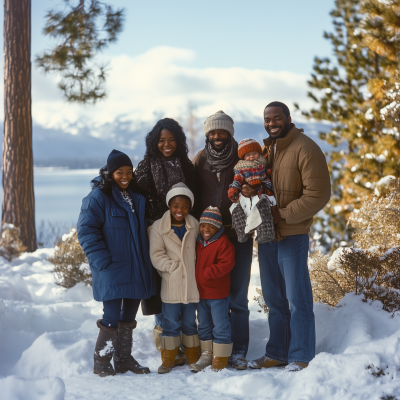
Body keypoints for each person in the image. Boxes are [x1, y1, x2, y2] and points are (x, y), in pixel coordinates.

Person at [249, 101, 331, 372]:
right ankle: (277, 352)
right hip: (267, 235)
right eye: (267, 118)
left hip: (292, 234)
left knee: (298, 299)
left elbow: (318, 195)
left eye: (276, 118)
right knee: (275, 300)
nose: (271, 122)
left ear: (288, 118)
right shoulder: (267, 150)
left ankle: (300, 354)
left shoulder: (306, 148)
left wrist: (282, 214)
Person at [77, 149, 156, 377]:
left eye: (129, 172)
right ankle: (101, 362)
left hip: (135, 266)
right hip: (112, 267)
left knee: (129, 316)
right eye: (119, 172)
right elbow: (86, 231)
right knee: (111, 316)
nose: (125, 176)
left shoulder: (135, 197)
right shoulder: (98, 197)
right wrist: (102, 261)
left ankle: (123, 359)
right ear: (110, 173)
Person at [193, 110, 253, 370]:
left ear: (230, 133)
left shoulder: (242, 158)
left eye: (222, 132)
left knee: (237, 296)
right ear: (208, 134)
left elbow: (259, 185)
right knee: (209, 296)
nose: (217, 136)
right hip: (207, 237)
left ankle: (237, 351)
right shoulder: (201, 159)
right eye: (212, 132)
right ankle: (214, 349)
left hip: (237, 234)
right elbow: (192, 193)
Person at [134, 118, 196, 356]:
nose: (167, 144)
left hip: (183, 234)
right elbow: (137, 202)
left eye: (171, 140)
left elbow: (195, 200)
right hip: (155, 235)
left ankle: (187, 338)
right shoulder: (145, 167)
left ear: (178, 141)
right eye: (161, 140)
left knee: (183, 282)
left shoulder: (187, 166)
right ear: (154, 142)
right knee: (161, 287)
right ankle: (167, 341)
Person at [149, 183, 200, 374]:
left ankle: (193, 356)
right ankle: (168, 358)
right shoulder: (158, 228)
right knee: (170, 323)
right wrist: (171, 267)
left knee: (189, 322)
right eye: (176, 206)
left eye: (185, 206)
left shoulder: (195, 225)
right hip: (171, 283)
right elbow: (156, 254)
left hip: (190, 285)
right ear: (170, 205)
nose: (180, 210)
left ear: (190, 207)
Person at [190, 207, 235, 373]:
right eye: (203, 225)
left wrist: (208, 273)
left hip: (217, 294)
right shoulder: (198, 242)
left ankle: (221, 356)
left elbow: (227, 263)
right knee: (204, 325)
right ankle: (207, 354)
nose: (206, 229)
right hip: (201, 294)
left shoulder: (223, 242)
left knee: (221, 325)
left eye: (211, 226)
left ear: (219, 228)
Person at [228, 138, 277, 244]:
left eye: (254, 153)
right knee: (235, 210)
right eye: (248, 155)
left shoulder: (263, 165)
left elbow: (269, 178)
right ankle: (242, 232)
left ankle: (265, 232)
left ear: (259, 153)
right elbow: (236, 181)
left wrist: (267, 180)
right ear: (243, 157)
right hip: (246, 197)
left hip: (262, 194)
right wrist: (233, 190)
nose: (251, 157)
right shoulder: (241, 169)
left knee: (263, 209)